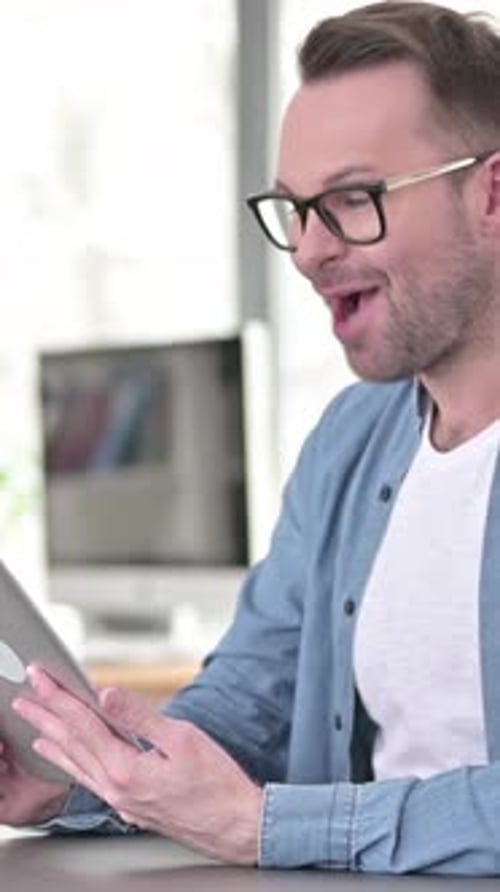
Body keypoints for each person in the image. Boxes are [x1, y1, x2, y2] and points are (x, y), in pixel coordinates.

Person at [3, 0, 500, 874]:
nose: (307, 251)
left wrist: (268, 826)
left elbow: (265, 814)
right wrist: (84, 782)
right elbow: (249, 706)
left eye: (352, 199)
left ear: (492, 193)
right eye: (297, 209)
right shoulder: (353, 438)